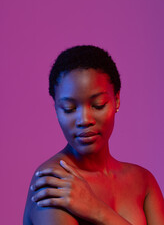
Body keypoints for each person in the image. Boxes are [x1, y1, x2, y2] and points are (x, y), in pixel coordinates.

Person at [23, 45, 164, 225]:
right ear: (56, 108)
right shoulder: (54, 183)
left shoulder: (143, 181)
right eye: (69, 109)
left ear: (117, 100)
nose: (84, 120)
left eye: (98, 105)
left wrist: (97, 210)